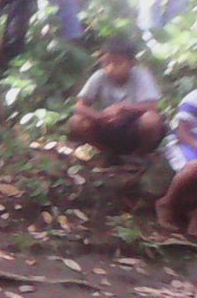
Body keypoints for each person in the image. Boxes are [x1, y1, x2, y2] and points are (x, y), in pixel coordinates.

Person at [68, 38, 166, 161]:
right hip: (109, 125)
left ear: (132, 63)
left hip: (134, 128)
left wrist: (122, 108)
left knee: (151, 120)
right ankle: (107, 152)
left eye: (117, 63)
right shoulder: (99, 76)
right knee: (76, 121)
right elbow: (79, 106)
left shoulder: (141, 76)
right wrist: (99, 116)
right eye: (106, 63)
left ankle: (140, 155)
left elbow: (152, 106)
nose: (110, 68)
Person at [158, 87, 197, 235]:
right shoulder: (193, 99)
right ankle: (166, 203)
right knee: (194, 167)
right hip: (186, 143)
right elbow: (182, 133)